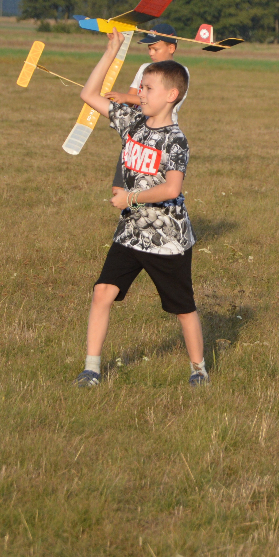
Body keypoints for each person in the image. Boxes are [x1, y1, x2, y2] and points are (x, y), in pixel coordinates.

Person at [73, 28, 207, 388]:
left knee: (183, 309)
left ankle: (198, 370)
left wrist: (130, 198)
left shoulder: (175, 140)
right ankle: (92, 369)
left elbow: (172, 187)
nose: (140, 94)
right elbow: (88, 95)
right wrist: (111, 53)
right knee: (103, 292)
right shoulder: (132, 123)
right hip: (131, 232)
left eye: (147, 89)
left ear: (171, 95)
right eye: (141, 88)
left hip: (167, 237)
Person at [108, 23, 190, 190]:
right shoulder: (144, 68)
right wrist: (115, 103)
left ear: (171, 48)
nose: (151, 53)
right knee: (119, 187)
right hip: (136, 131)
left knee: (147, 186)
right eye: (149, 49)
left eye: (156, 49)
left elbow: (162, 102)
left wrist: (125, 97)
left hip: (160, 134)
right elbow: (130, 99)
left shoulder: (180, 72)